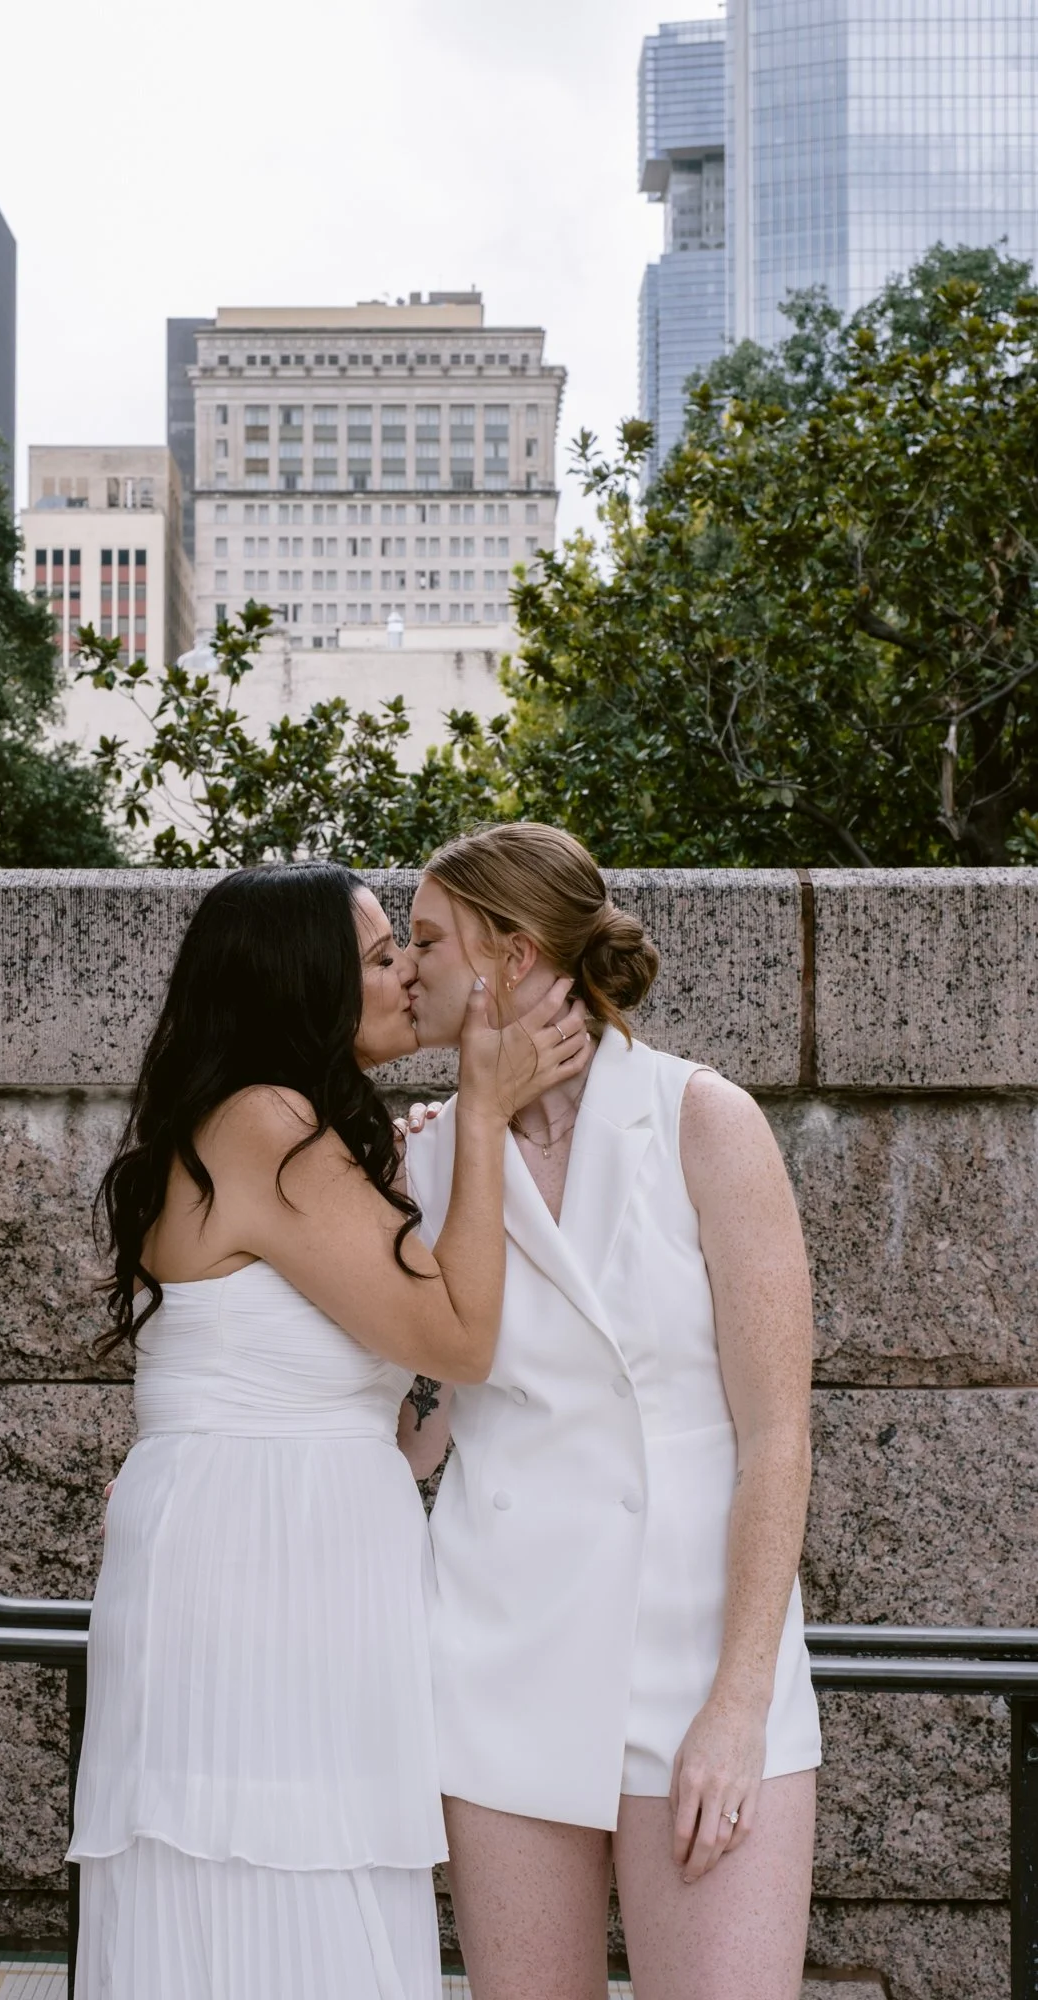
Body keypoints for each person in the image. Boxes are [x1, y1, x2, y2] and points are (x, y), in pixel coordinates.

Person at [68, 860, 590, 2000]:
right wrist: (489, 1112)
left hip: (304, 1552)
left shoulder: (291, 1134)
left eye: (406, 944)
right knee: (269, 1882)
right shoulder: (263, 1121)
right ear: (299, 981)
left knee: (315, 1878)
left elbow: (385, 1420)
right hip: (256, 1574)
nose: (406, 968)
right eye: (375, 952)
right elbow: (456, 1334)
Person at [400, 822, 821, 2000]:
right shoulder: (425, 1164)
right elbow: (415, 1428)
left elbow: (777, 1432)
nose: (405, 968)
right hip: (501, 1664)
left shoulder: (704, 1121)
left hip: (696, 1654)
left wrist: (736, 1704)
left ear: (513, 954)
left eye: (427, 938)